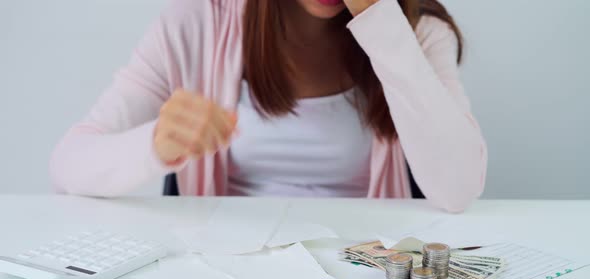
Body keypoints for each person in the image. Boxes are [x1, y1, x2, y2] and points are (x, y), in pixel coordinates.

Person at [50, 0, 487, 212]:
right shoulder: (196, 23)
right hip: (231, 273)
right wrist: (153, 146)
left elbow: (459, 188)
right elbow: (69, 164)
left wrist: (382, 22)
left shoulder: (419, 31)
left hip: (364, 273)